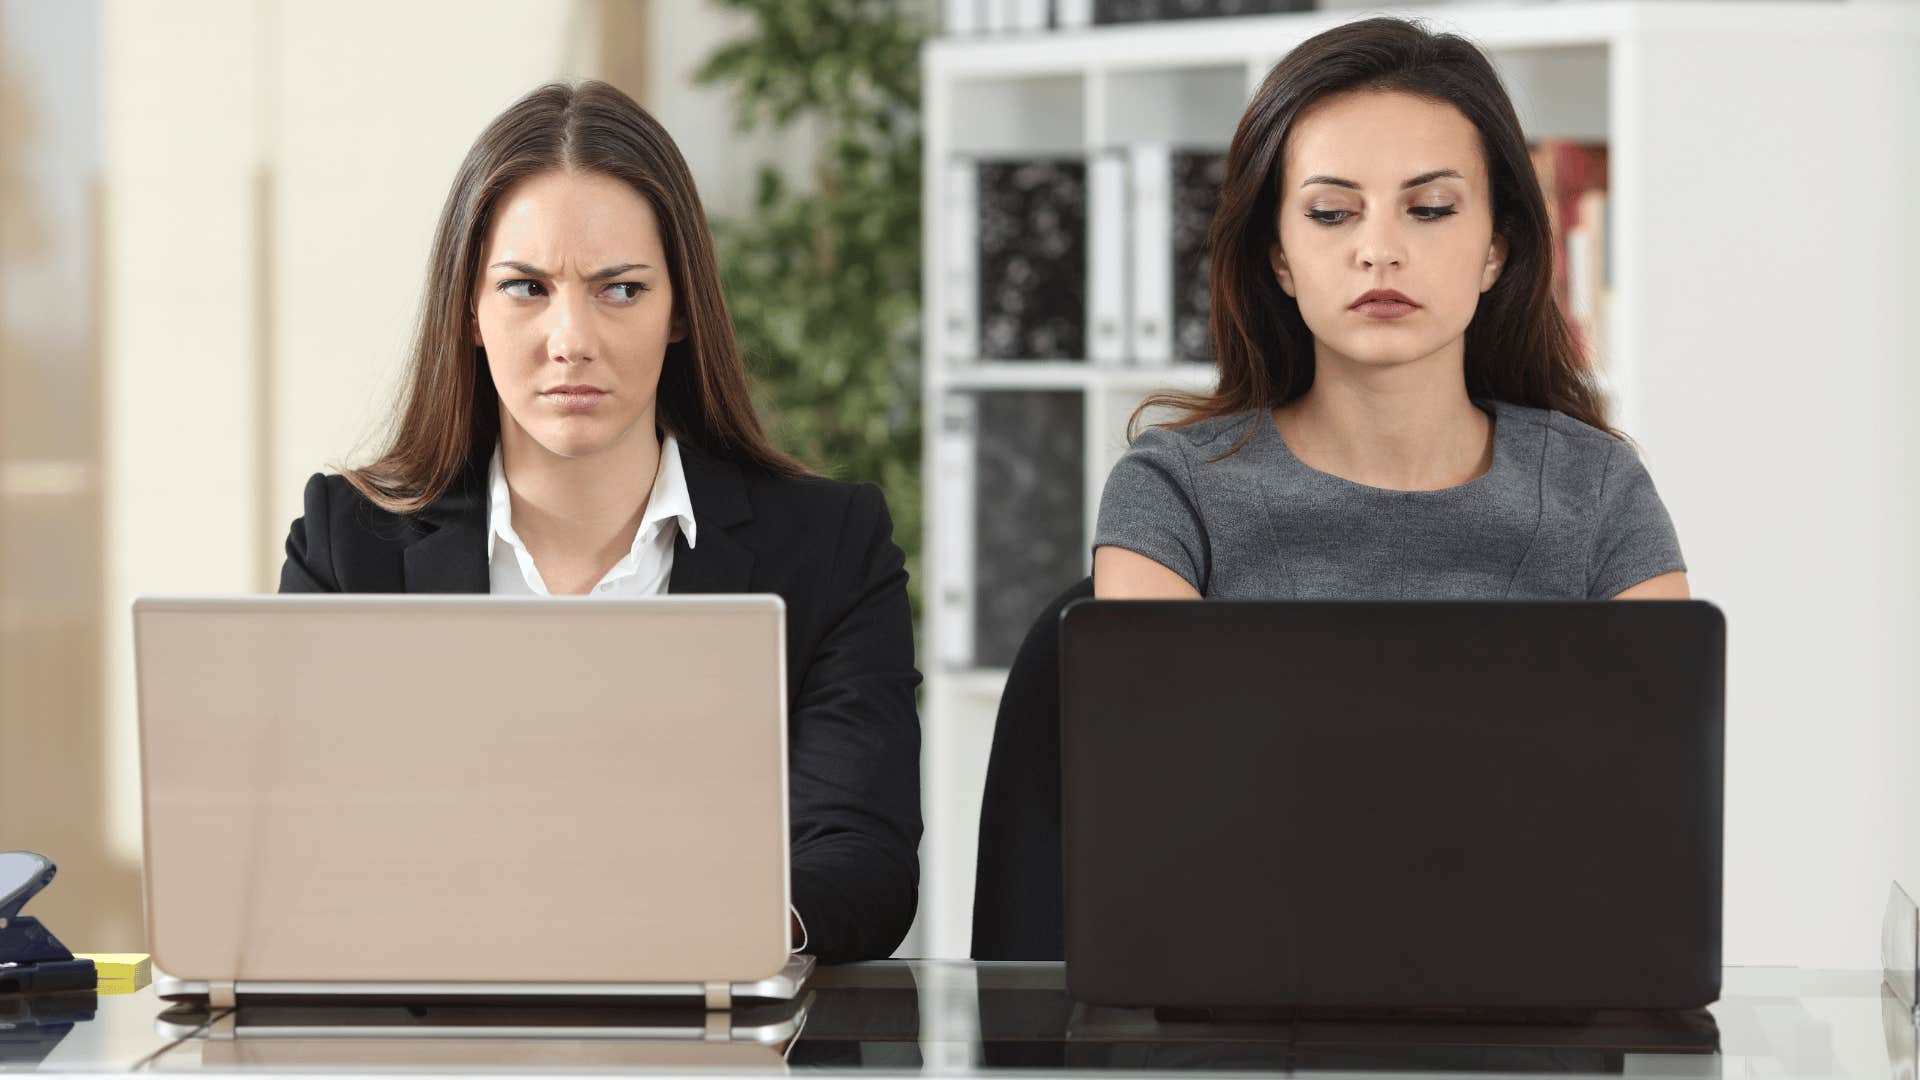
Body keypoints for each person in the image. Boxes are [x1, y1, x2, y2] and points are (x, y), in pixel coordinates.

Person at [278, 80, 919, 964]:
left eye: (619, 290)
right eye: (525, 287)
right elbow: (299, 855)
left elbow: (864, 861)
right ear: (469, 307)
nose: (569, 337)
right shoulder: (349, 542)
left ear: (681, 309)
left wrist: (707, 935)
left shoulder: (831, 545)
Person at [1095, 17, 1687, 603]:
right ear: (1280, 259)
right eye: (1331, 212)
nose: (1380, 252)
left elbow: (1663, 699)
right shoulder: (1174, 492)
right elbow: (1148, 700)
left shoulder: (1598, 489)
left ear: (1495, 251)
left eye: (1430, 208)